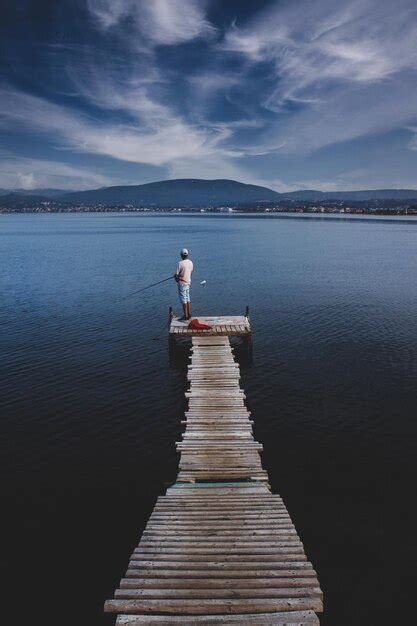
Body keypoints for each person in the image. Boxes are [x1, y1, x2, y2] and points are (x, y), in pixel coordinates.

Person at [174, 248, 193, 320]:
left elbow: (176, 277)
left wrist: (175, 277)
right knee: (188, 298)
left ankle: (185, 315)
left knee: (183, 300)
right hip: (188, 282)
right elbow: (191, 272)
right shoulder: (191, 262)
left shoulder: (179, 264)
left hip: (182, 284)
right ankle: (189, 314)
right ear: (187, 255)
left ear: (181, 255)